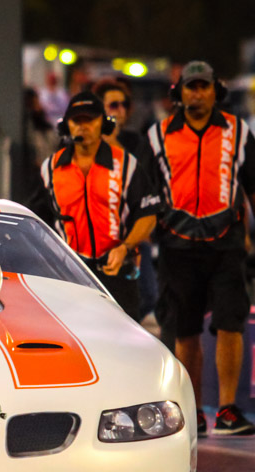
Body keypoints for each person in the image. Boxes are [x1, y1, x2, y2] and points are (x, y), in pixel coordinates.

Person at [145, 61, 255, 437]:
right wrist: (142, 237)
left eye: (204, 86)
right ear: (179, 93)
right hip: (176, 246)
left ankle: (228, 410)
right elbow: (145, 194)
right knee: (184, 330)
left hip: (227, 244)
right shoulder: (157, 135)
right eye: (191, 87)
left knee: (229, 324)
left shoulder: (238, 132)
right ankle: (193, 412)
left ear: (215, 91)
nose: (197, 93)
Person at [28, 92, 160, 322]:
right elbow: (36, 221)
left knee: (119, 340)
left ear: (103, 123)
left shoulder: (126, 165)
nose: (83, 126)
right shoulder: (50, 168)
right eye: (77, 120)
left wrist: (125, 248)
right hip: (67, 278)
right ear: (66, 125)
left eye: (90, 119)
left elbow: (148, 215)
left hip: (117, 273)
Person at [93, 78, 158, 321]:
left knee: (148, 295)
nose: (119, 110)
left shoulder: (135, 141)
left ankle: (126, 329)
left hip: (134, 235)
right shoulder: (88, 143)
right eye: (113, 105)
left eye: (123, 105)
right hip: (98, 236)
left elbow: (148, 184)